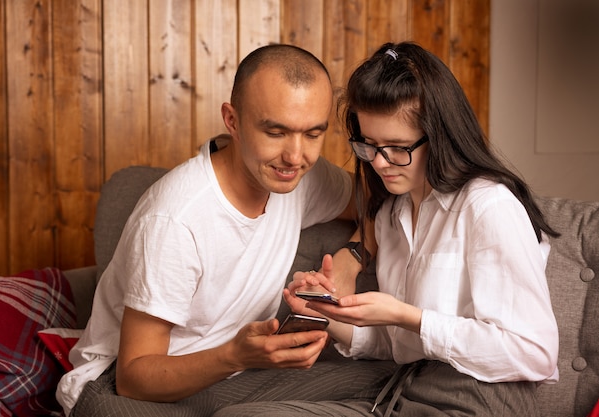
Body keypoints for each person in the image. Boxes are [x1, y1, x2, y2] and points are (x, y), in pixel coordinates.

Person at [217, 41, 561, 416]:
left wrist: (405, 315)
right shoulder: (391, 215)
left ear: (439, 136)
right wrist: (326, 314)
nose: (381, 163)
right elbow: (397, 344)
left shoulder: (487, 206)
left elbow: (534, 353)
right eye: (369, 145)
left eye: (397, 147)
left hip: (477, 403)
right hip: (403, 397)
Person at [56, 44, 392, 417]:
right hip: (127, 388)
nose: (296, 157)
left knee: (393, 380)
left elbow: (385, 200)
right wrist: (233, 355)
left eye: (313, 134)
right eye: (275, 132)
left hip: (232, 378)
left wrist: (351, 259)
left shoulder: (300, 178)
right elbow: (133, 377)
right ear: (232, 120)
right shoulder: (174, 220)